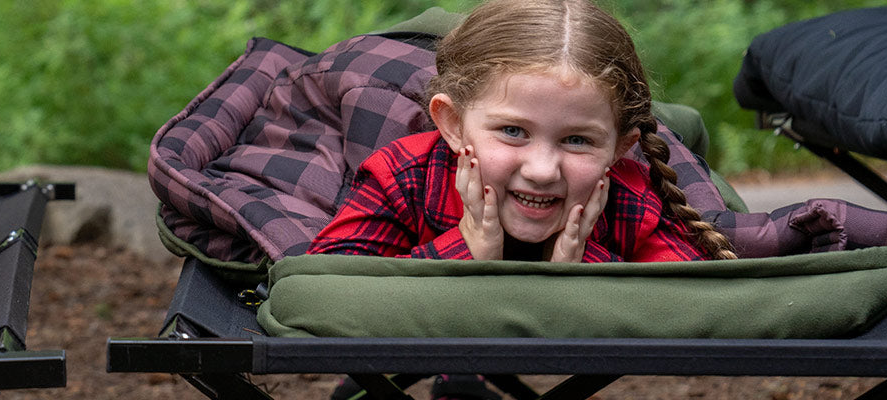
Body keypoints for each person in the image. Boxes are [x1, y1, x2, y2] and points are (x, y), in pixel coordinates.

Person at [308, 0, 737, 262]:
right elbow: (322, 288)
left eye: (577, 140)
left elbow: (691, 299)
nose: (543, 170)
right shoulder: (402, 176)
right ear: (454, 126)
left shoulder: (628, 196)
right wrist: (465, 252)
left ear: (620, 150)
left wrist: (581, 268)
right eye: (513, 131)